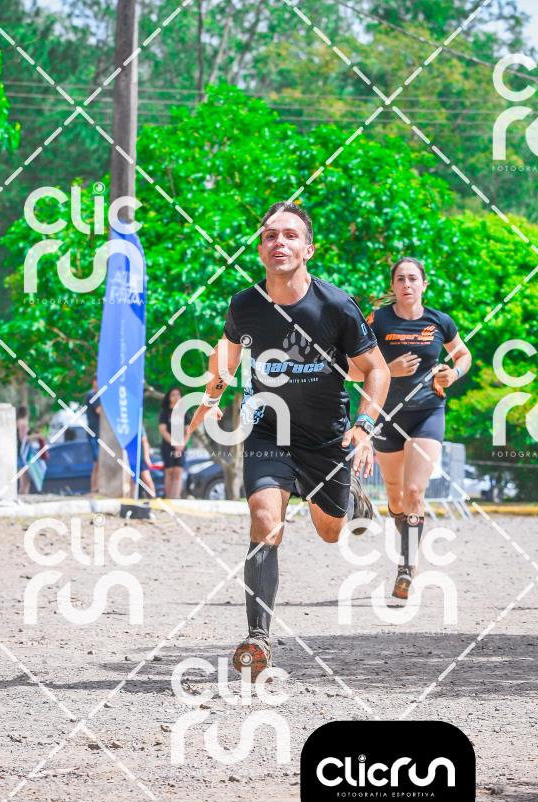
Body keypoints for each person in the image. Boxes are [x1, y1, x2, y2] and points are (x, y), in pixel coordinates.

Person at [188, 202, 390, 679]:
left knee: (330, 531)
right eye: (270, 236)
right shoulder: (244, 305)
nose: (279, 242)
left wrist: (364, 426)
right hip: (269, 431)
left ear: (308, 249)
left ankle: (351, 499)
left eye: (290, 235)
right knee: (264, 519)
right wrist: (210, 398)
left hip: (326, 439)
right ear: (260, 249)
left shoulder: (335, 306)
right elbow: (226, 359)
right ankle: (258, 638)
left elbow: (377, 370)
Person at [348, 257, 472, 600]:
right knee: (395, 494)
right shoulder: (378, 320)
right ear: (393, 285)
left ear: (424, 284)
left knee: (415, 491)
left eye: (413, 278)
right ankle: (403, 534)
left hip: (428, 412)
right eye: (400, 279)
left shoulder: (440, 321)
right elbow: (351, 369)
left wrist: (453, 374)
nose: (406, 284)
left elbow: (463, 355)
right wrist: (389, 369)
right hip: (388, 416)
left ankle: (406, 566)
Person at [159, 387, 190, 498]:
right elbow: (163, 430)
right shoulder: (165, 412)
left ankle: (175, 498)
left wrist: (182, 445)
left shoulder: (184, 412)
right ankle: (168, 498)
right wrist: (175, 444)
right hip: (168, 446)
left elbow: (188, 430)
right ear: (169, 397)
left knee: (178, 472)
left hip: (181, 446)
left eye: (178, 394)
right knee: (169, 472)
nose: (176, 397)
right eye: (173, 395)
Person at [84, 377, 101, 494]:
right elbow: (99, 410)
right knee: (97, 461)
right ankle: (94, 488)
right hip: (94, 433)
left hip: (100, 433)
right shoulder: (92, 395)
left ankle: (97, 487)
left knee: (100, 461)